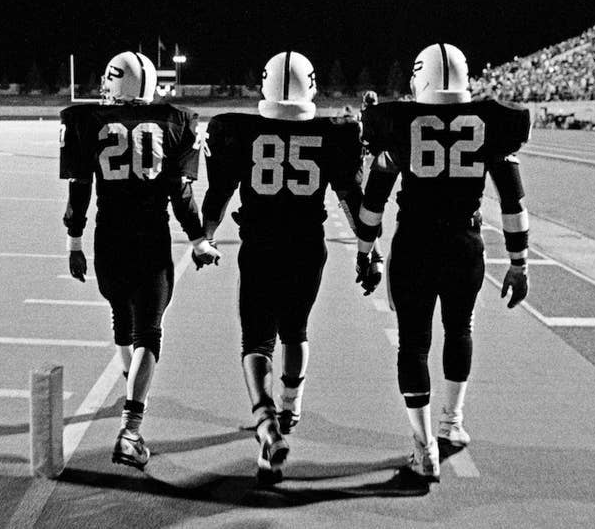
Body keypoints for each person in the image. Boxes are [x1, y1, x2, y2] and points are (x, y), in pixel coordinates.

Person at [201, 51, 380, 484]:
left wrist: (202, 237)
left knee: (255, 341)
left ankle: (266, 422)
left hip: (260, 245)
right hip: (305, 245)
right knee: (295, 330)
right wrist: (367, 251)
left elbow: (219, 195)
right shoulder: (333, 133)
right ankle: (291, 405)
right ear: (312, 85)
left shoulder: (238, 130)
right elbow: (352, 202)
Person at [354, 43, 531, 482]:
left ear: (421, 77)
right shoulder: (491, 123)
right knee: (460, 329)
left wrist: (365, 251)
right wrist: (519, 261)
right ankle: (452, 422)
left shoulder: (399, 124)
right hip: (464, 243)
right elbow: (512, 198)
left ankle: (423, 446)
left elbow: (375, 196)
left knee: (413, 343)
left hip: (415, 241)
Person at [61, 51, 220, 470]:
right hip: (150, 240)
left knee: (121, 321)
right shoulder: (175, 122)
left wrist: (74, 243)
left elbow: (80, 191)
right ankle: (131, 428)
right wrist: (200, 240)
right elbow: (180, 194)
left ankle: (134, 401)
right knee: (149, 330)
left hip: (108, 239)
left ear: (115, 82)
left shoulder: (87, 122)